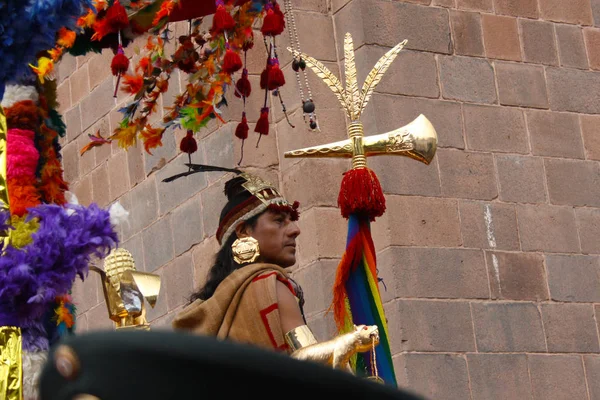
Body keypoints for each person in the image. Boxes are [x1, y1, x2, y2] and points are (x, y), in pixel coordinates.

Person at [172, 171, 316, 352]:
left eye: (291, 221)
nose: (295, 230)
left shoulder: (215, 306)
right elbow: (310, 360)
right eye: (279, 220)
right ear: (243, 231)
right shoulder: (270, 284)